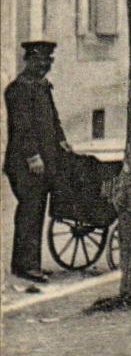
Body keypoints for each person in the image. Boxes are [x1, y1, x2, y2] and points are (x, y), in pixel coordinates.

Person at [5, 41, 72, 283]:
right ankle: (27, 266)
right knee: (30, 212)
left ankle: (26, 263)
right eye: (39, 61)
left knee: (35, 211)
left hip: (43, 162)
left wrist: (62, 140)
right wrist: (33, 156)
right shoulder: (18, 89)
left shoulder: (42, 86)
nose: (44, 65)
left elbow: (54, 119)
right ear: (28, 61)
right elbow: (22, 127)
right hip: (25, 163)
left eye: (47, 61)